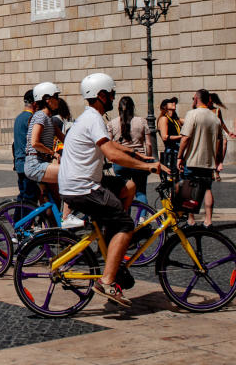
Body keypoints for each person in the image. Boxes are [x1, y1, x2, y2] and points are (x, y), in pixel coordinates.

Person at [58, 73, 165, 307]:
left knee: (129, 186)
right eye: (112, 93)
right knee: (126, 224)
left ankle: (111, 238)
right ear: (102, 95)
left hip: (80, 183)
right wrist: (148, 166)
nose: (114, 98)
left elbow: (112, 144)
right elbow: (112, 154)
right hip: (82, 188)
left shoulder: (91, 117)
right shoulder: (94, 118)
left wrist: (138, 155)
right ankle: (106, 280)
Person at [24, 82, 83, 229]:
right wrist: (53, 153)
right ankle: (67, 217)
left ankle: (52, 232)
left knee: (55, 202)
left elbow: (67, 139)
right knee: (72, 176)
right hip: (35, 164)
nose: (59, 99)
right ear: (47, 99)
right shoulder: (40, 116)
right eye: (56, 96)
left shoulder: (49, 119)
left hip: (43, 163)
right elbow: (35, 142)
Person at [177, 90, 221, 228]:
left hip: (192, 159)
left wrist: (180, 157)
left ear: (196, 99)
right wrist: (218, 160)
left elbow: (185, 138)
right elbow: (220, 141)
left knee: (189, 190)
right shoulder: (215, 118)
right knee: (207, 189)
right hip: (208, 161)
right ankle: (208, 220)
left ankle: (191, 220)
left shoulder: (192, 114)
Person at [107, 96, 153, 206]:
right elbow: (149, 144)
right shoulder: (142, 121)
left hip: (121, 161)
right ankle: (142, 219)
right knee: (141, 191)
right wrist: (148, 159)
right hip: (139, 160)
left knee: (123, 192)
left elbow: (109, 143)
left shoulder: (112, 123)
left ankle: (125, 218)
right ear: (133, 107)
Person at [12, 90, 40, 203]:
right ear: (34, 103)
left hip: (19, 162)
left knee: (23, 197)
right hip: (27, 162)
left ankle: (18, 220)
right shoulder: (31, 118)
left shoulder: (19, 117)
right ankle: (24, 220)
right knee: (30, 198)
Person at [157, 98, 182, 171]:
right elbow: (164, 137)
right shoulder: (164, 118)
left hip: (177, 150)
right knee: (172, 175)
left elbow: (189, 121)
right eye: (170, 102)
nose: (173, 103)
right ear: (165, 106)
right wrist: (181, 137)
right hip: (171, 151)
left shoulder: (175, 119)